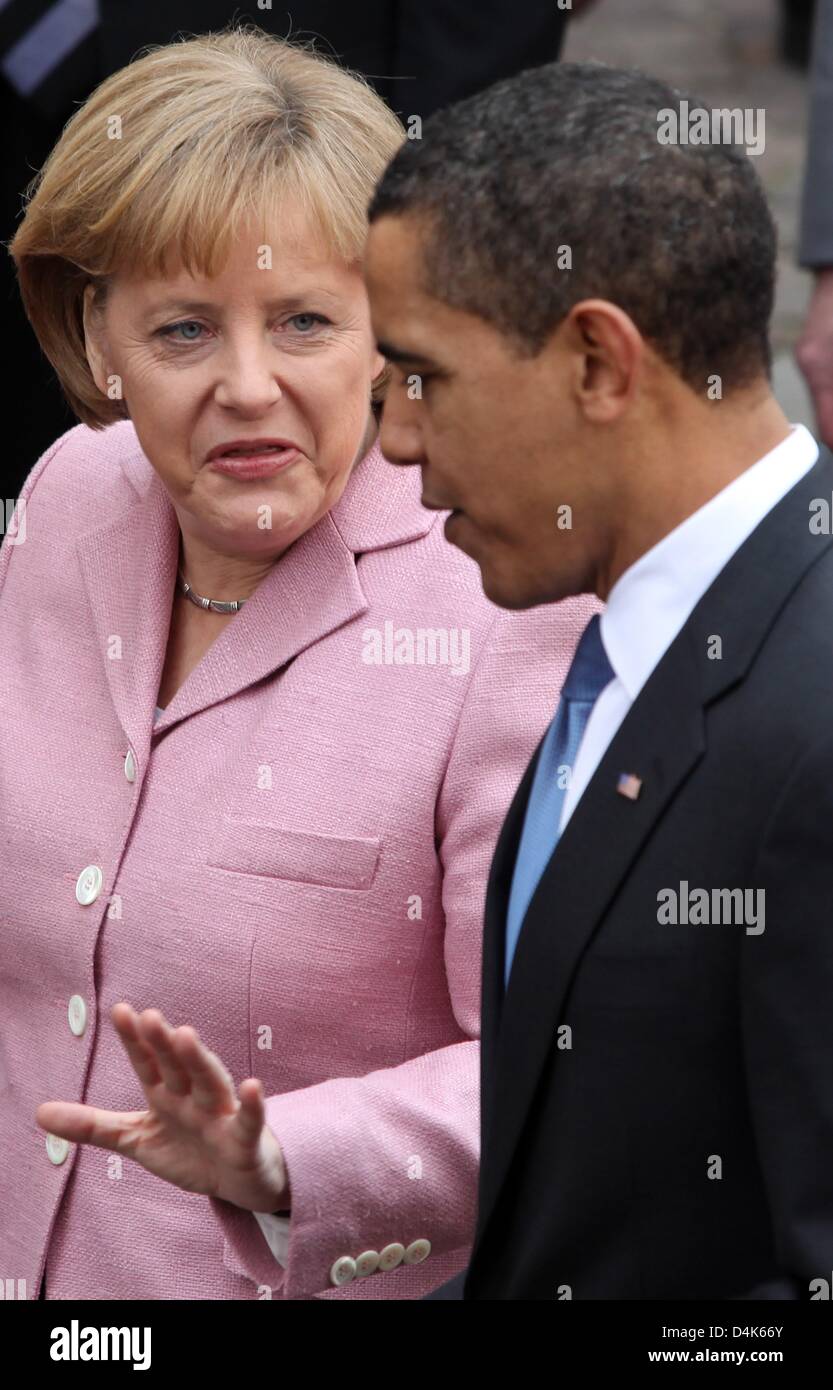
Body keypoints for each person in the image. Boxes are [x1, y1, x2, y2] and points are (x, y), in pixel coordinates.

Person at [0, 29, 596, 1301]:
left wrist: (281, 1158)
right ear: (96, 338)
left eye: (306, 321)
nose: (248, 386)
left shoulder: (503, 603)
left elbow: (569, 1059)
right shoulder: (66, 499)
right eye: (181, 331)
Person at [365, 59, 833, 1298]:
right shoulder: (637, 636)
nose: (395, 436)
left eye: (422, 375)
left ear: (597, 365)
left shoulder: (809, 726)